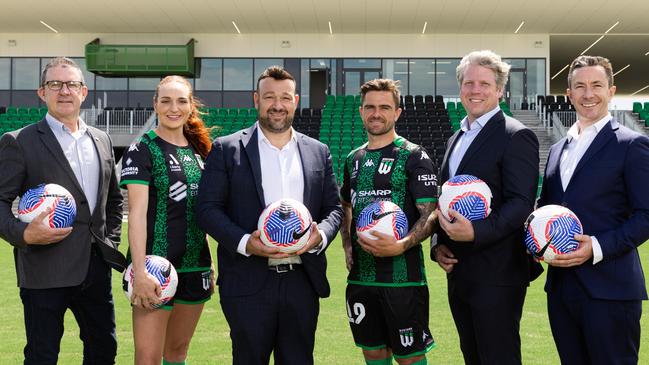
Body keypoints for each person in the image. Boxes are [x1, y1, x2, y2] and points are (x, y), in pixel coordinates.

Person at [196, 66, 342, 365]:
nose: (278, 105)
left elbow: (334, 209)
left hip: (302, 281)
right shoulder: (227, 149)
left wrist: (320, 236)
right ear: (256, 99)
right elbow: (207, 209)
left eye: (285, 97)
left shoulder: (318, 151)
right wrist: (246, 242)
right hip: (247, 282)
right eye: (269, 97)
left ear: (296, 100)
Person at [0, 57, 125, 364]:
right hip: (44, 272)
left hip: (95, 270)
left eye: (71, 84)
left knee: (103, 350)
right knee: (43, 355)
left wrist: (111, 242)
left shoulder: (102, 139)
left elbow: (113, 200)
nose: (64, 91)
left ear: (84, 92)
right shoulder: (19, 142)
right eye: (55, 84)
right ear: (42, 93)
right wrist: (25, 233)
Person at [431, 50, 541, 365]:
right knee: (473, 356)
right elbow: (446, 199)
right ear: (460, 88)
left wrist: (475, 232)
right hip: (460, 273)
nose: (475, 90)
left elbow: (521, 203)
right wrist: (439, 243)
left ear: (499, 90)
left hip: (499, 273)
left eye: (484, 83)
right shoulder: (456, 137)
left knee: (499, 357)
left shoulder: (516, 135)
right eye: (468, 83)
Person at [538, 55, 649, 365]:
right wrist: (536, 240)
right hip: (561, 290)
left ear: (611, 91)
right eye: (580, 87)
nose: (588, 94)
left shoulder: (631, 145)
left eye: (597, 85)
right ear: (568, 94)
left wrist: (597, 247)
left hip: (610, 290)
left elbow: (647, 215)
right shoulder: (558, 149)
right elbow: (547, 209)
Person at [340, 78, 438, 365]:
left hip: (403, 279)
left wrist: (403, 244)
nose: (376, 113)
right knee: (373, 352)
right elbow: (345, 202)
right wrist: (347, 244)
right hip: (360, 278)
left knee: (409, 357)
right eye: (370, 107)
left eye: (384, 107)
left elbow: (430, 214)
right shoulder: (353, 158)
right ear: (361, 111)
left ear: (397, 112)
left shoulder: (413, 155)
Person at [120, 75, 214, 365]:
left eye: (181, 101)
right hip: (153, 269)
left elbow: (205, 213)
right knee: (147, 358)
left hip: (195, 265)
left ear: (190, 106)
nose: (174, 108)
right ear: (155, 105)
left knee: (177, 353)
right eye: (166, 101)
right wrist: (139, 273)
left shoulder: (201, 151)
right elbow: (135, 215)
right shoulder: (143, 149)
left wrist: (210, 264)